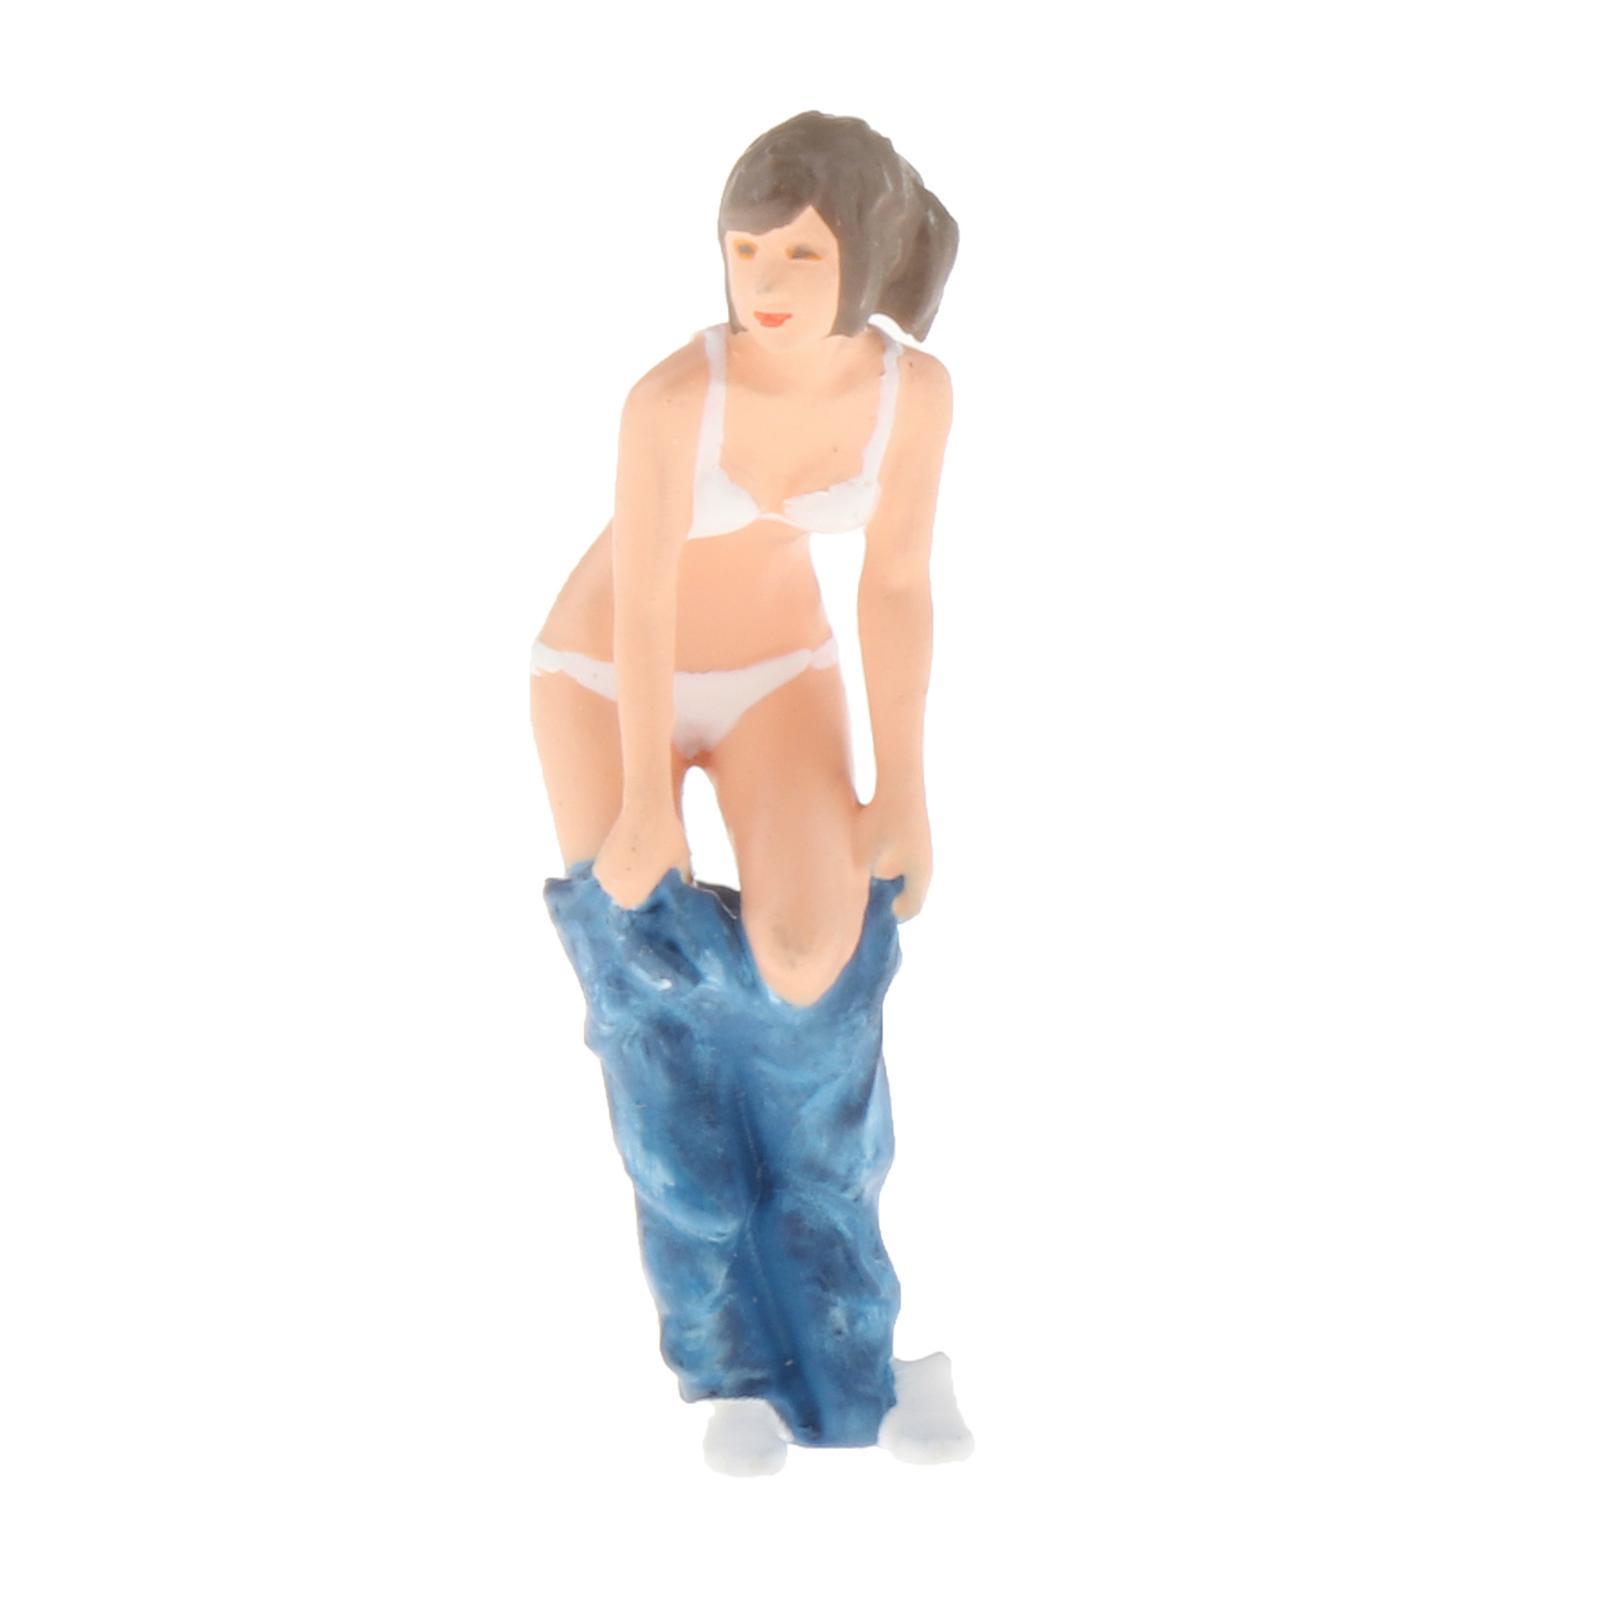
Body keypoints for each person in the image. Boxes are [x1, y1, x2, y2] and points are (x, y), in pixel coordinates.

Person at [530, 111, 972, 1474]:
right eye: (745, 252)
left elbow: (895, 586)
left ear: (867, 259)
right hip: (610, 674)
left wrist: (905, 789)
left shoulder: (912, 395)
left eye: (800, 254)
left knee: (814, 963)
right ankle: (724, 1358)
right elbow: (645, 596)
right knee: (653, 981)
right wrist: (644, 805)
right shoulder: (676, 399)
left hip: (780, 669)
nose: (765, 285)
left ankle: (852, 1349)